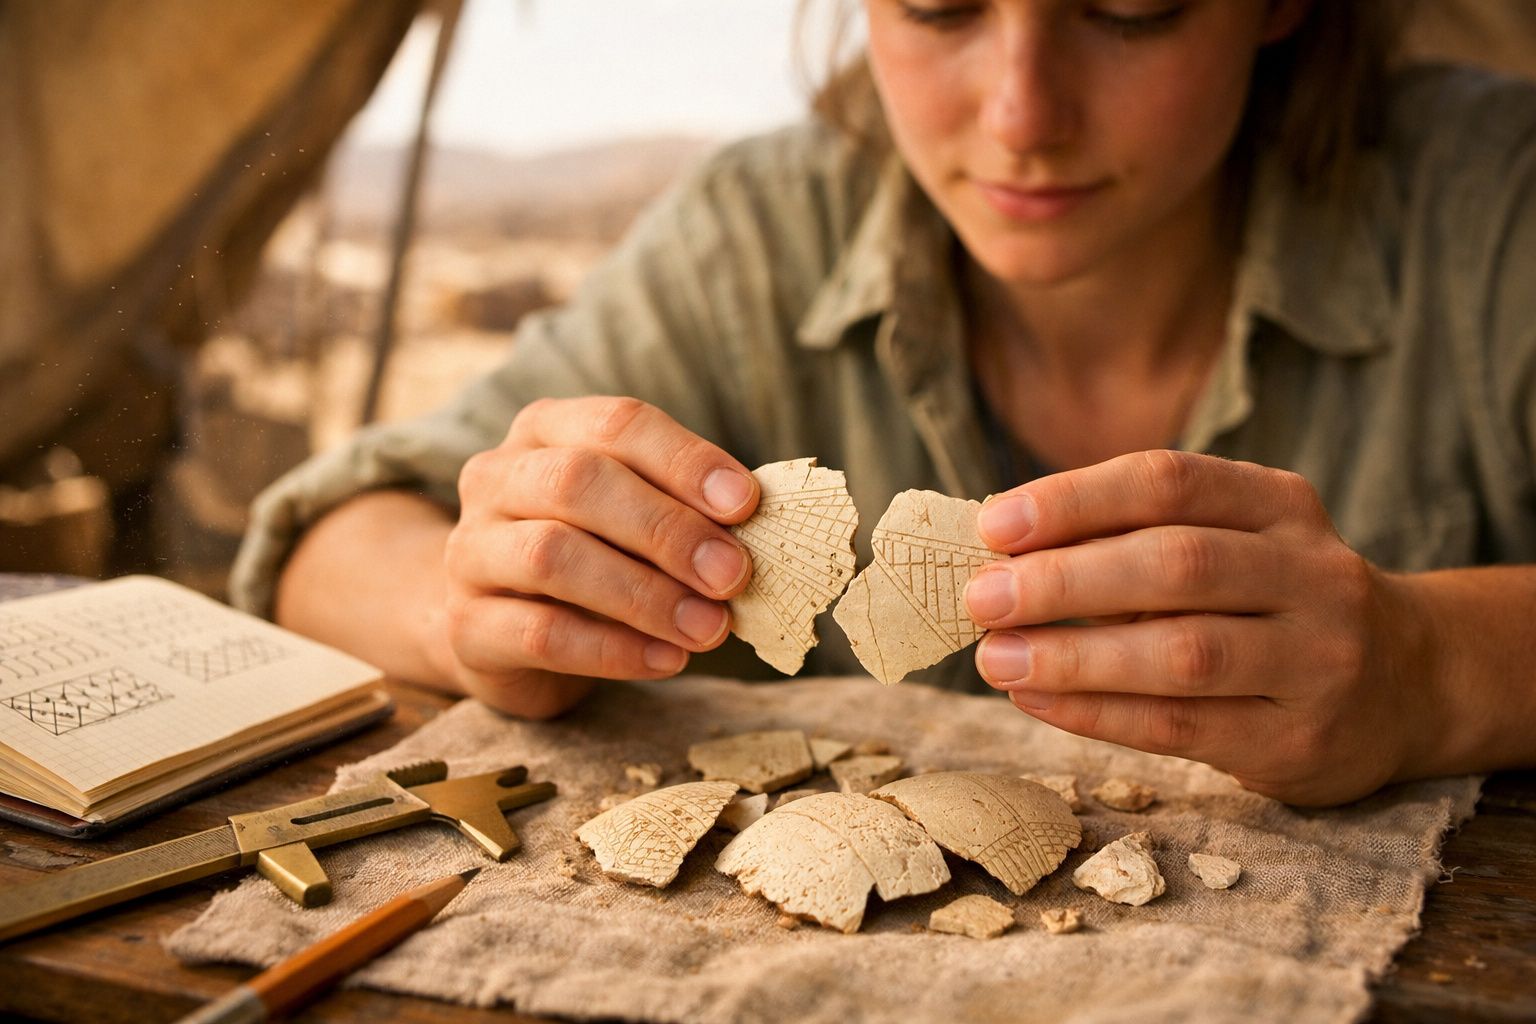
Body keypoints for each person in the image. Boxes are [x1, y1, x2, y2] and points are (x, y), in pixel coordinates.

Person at [235, 0, 1536, 807]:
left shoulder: (1496, 210)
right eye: (939, 4)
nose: (1024, 115)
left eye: (1131, 7)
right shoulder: (759, 235)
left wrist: (1432, 668)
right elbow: (331, 543)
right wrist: (471, 603)